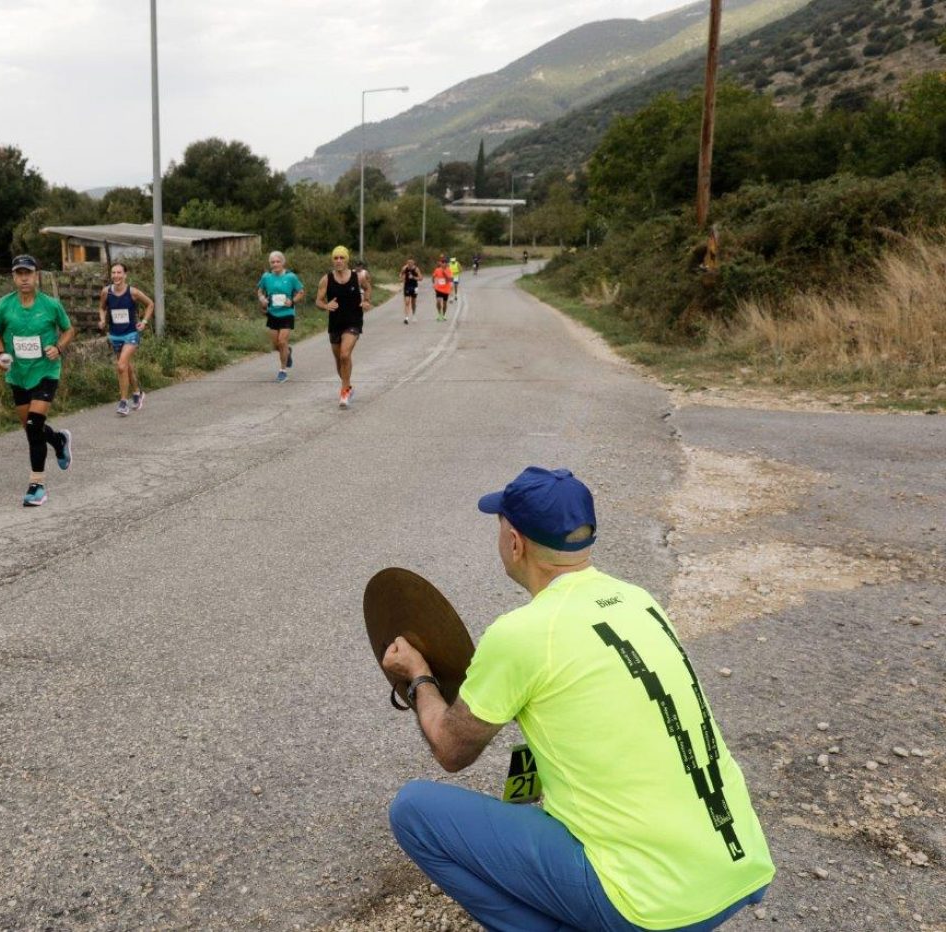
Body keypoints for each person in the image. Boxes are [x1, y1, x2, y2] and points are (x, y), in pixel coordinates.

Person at [383, 466, 775, 932]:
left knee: (413, 811)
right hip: (738, 868)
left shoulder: (523, 633)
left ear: (515, 542)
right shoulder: (639, 600)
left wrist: (418, 677)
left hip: (651, 907)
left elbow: (451, 749)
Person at [0, 254, 76, 507]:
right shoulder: (4, 305)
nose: (24, 278)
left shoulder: (50, 305)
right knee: (30, 428)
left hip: (46, 371)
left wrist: (58, 348)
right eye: (19, 274)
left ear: (36, 276)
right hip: (18, 374)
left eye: (28, 273)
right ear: (13, 277)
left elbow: (69, 330)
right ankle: (59, 440)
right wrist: (0, 354)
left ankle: (36, 485)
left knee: (34, 423)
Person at [315, 245, 371, 408]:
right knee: (340, 362)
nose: (338, 261)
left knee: (345, 355)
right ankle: (348, 386)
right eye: (335, 258)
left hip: (353, 321)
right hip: (335, 323)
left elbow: (368, 288)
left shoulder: (357, 277)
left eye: (341, 258)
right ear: (332, 260)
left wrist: (366, 301)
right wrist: (326, 306)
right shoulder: (326, 279)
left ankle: (344, 391)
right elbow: (318, 301)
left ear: (347, 260)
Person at [99, 261, 153, 414]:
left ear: (125, 275)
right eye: (113, 273)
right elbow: (102, 308)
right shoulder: (106, 292)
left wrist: (144, 322)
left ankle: (123, 402)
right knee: (126, 367)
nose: (116, 275)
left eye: (119, 273)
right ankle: (137, 392)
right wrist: (102, 320)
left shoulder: (133, 292)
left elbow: (150, 304)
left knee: (121, 366)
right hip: (115, 335)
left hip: (131, 334)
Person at [256, 250, 305, 381]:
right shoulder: (266, 277)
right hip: (272, 313)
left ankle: (282, 370)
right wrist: (262, 299)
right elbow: (260, 291)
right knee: (276, 345)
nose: (275, 264)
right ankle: (287, 351)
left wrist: (292, 301)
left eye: (278, 261)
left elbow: (301, 292)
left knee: (282, 341)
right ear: (270, 264)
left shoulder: (291, 277)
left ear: (283, 262)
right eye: (273, 262)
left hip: (287, 313)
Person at [399, 258, 421, 325]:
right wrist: (401, 278)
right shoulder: (404, 268)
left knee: (413, 302)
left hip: (414, 287)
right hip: (407, 286)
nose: (410, 264)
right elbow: (400, 274)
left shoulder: (416, 269)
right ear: (407, 263)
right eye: (408, 263)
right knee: (407, 302)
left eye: (411, 263)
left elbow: (420, 278)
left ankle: (414, 315)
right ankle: (406, 318)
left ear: (413, 263)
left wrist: (413, 277)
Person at [431, 255, 452, 322]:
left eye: (445, 263)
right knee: (438, 301)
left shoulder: (448, 270)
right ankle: (439, 314)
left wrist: (445, 274)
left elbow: (450, 280)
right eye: (443, 263)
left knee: (444, 303)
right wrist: (433, 282)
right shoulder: (437, 270)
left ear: (447, 264)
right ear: (441, 264)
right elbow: (433, 276)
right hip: (438, 289)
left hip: (446, 289)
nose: (444, 264)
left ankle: (444, 315)